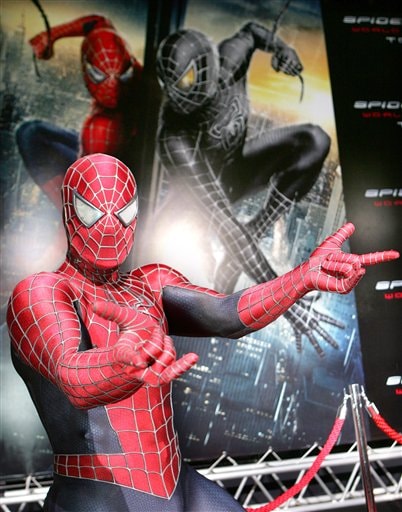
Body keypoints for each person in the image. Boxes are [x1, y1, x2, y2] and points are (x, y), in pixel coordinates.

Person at [7, 153, 398, 511]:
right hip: (96, 495)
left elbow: (226, 313)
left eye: (123, 211)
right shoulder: (42, 292)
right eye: (93, 211)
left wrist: (303, 278)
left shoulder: (149, 283)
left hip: (177, 484)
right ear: (69, 211)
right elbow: (73, 375)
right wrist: (123, 362)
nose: (111, 226)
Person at [156, 24, 338, 355]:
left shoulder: (230, 62)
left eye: (184, 80)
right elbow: (223, 221)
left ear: (208, 67)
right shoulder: (174, 139)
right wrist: (286, 298)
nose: (177, 94)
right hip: (195, 207)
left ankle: (257, 227)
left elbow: (252, 32)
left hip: (237, 172)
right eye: (168, 83)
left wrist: (284, 50)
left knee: (314, 140)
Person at [16, 14, 142, 211]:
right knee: (31, 131)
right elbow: (97, 23)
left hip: (118, 173)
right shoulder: (118, 54)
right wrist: (50, 36)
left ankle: (74, 215)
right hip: (100, 157)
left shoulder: (103, 127)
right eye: (99, 75)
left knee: (31, 135)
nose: (111, 86)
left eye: (120, 77)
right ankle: (72, 210)